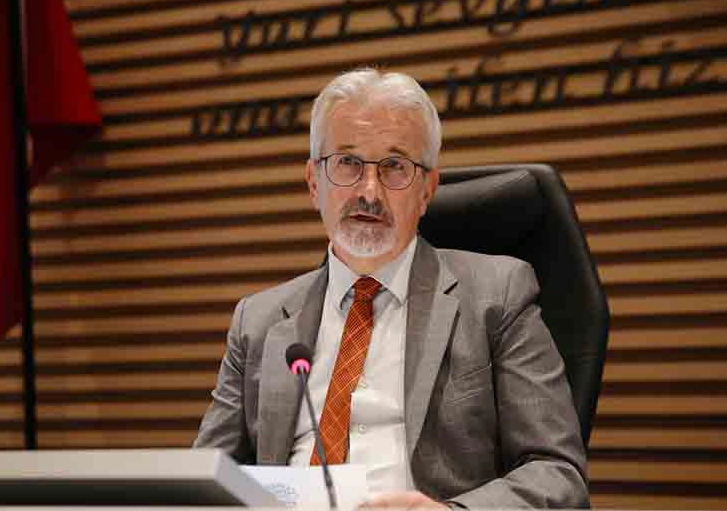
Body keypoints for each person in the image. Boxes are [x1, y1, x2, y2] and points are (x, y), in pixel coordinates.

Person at [194, 68, 589, 508]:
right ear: (313, 183)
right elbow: (202, 482)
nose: (369, 191)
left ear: (427, 190)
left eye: (395, 167)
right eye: (347, 163)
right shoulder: (258, 321)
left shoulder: (496, 296)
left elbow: (557, 474)